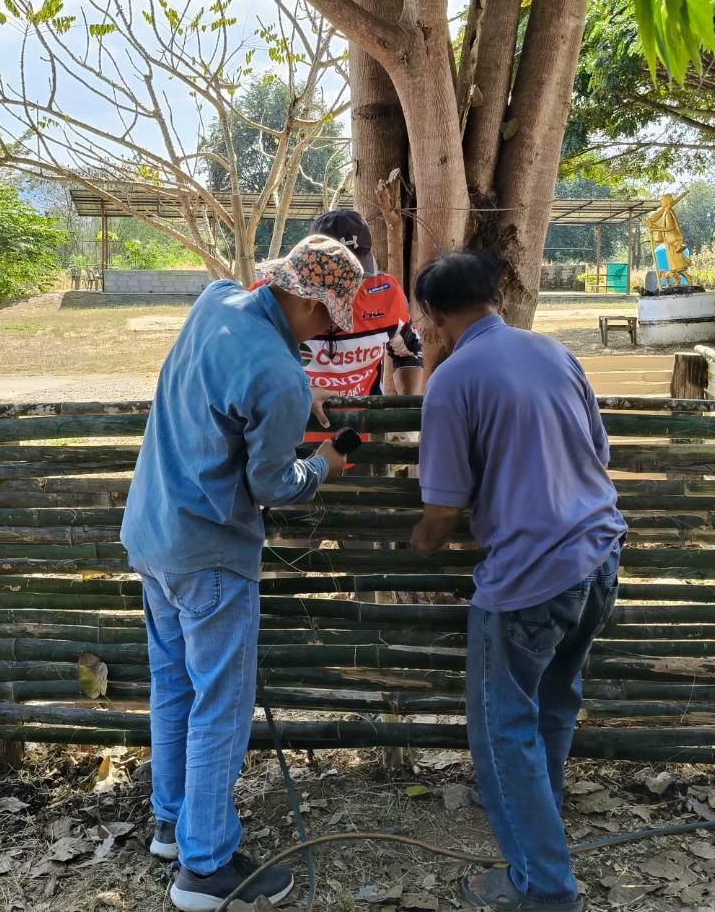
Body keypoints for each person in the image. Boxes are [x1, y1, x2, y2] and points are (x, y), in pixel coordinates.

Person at [121, 234, 363, 912]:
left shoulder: (214, 302)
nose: (323, 335)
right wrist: (322, 467)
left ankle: (173, 823)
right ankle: (206, 867)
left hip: (151, 533)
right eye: (326, 320)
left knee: (174, 685)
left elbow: (236, 379)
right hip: (211, 556)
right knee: (221, 706)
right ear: (313, 302)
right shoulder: (278, 375)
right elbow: (272, 484)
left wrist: (296, 387)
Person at [408, 252, 627, 912]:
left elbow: (443, 508)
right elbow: (599, 451)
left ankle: (542, 888)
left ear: (435, 319)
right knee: (553, 703)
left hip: (530, 579)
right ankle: (541, 831)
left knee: (501, 730)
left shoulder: (450, 382)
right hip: (598, 559)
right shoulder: (552, 352)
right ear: (495, 299)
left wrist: (417, 551)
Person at [287, 209, 425, 402]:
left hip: (363, 424)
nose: (347, 282)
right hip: (295, 422)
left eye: (355, 272)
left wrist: (407, 405)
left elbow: (408, 348)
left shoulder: (386, 292)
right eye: (336, 271)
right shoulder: (280, 296)